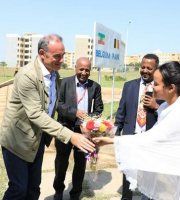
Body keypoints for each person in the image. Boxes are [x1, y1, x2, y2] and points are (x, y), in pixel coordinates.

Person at [0, 34, 95, 200]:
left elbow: (52, 105)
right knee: (18, 189)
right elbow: (36, 114)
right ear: (42, 53)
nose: (62, 60)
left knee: (33, 190)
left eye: (63, 55)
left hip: (37, 139)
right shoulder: (28, 75)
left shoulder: (54, 75)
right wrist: (70, 135)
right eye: (57, 56)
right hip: (17, 140)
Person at [93, 61, 180, 200]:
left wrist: (110, 140)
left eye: (156, 84)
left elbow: (151, 138)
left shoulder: (176, 112)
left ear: (171, 88)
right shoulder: (166, 108)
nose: (151, 87)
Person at [53, 57, 103, 200]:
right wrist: (74, 112)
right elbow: (58, 105)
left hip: (84, 131)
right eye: (81, 69)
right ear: (75, 68)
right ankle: (58, 191)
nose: (84, 72)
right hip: (65, 128)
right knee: (61, 162)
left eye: (87, 70)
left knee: (80, 164)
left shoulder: (95, 86)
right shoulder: (64, 83)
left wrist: (88, 120)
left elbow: (99, 108)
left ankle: (75, 193)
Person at [114, 54, 163, 200]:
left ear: (156, 69)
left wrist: (156, 106)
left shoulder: (162, 88)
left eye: (149, 68)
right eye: (143, 67)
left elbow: (170, 114)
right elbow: (121, 112)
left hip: (151, 139)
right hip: (131, 135)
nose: (145, 70)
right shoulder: (129, 86)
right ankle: (126, 197)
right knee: (128, 171)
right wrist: (116, 132)